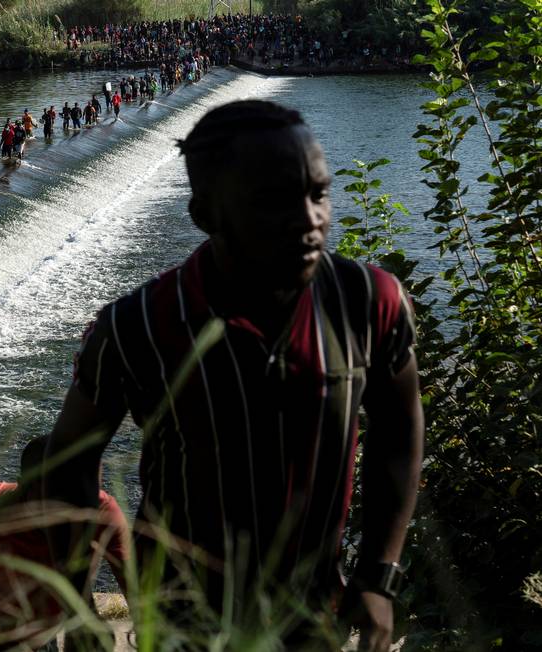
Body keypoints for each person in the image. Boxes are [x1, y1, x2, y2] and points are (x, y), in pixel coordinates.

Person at [42, 100, 423, 651]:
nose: (309, 219)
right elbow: (68, 462)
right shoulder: (138, 326)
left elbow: (398, 426)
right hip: (179, 622)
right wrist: (77, 604)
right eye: (273, 201)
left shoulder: (368, 302)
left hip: (314, 614)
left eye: (318, 194)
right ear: (205, 214)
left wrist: (379, 573)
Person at [0, 437, 130, 650]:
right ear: (26, 486)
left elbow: (138, 591)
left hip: (40, 636)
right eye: (57, 492)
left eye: (82, 490)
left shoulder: (101, 512)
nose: (71, 506)